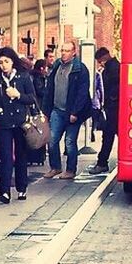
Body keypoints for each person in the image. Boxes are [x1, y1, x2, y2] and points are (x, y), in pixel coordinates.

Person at [0, 47, 36, 203]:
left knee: (21, 155)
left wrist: (18, 95)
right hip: (2, 122)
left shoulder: (23, 77)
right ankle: (4, 192)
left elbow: (32, 98)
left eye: (6, 61)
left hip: (20, 122)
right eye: (0, 62)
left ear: (13, 62)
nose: (3, 65)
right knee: (5, 157)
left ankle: (22, 188)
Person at [42, 38, 91, 181]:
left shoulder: (80, 69)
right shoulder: (56, 66)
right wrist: (46, 111)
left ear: (74, 52)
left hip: (72, 112)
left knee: (70, 142)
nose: (63, 53)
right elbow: (49, 90)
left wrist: (75, 112)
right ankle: (55, 167)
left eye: (67, 51)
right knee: (52, 140)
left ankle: (70, 170)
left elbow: (82, 93)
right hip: (57, 110)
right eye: (62, 50)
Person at [93, 46, 121, 173]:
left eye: (100, 60)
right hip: (116, 107)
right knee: (111, 136)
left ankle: (102, 162)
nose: (100, 63)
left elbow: (111, 89)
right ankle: (102, 162)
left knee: (108, 136)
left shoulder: (111, 70)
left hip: (113, 108)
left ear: (104, 57)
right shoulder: (118, 67)